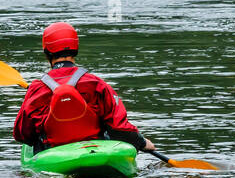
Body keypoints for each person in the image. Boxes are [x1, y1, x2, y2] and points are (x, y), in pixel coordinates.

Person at [13, 22, 155, 155]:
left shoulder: (37, 89)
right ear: (76, 49)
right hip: (96, 150)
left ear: (46, 53)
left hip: (54, 153)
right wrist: (141, 142)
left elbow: (22, 134)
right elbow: (119, 127)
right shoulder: (95, 83)